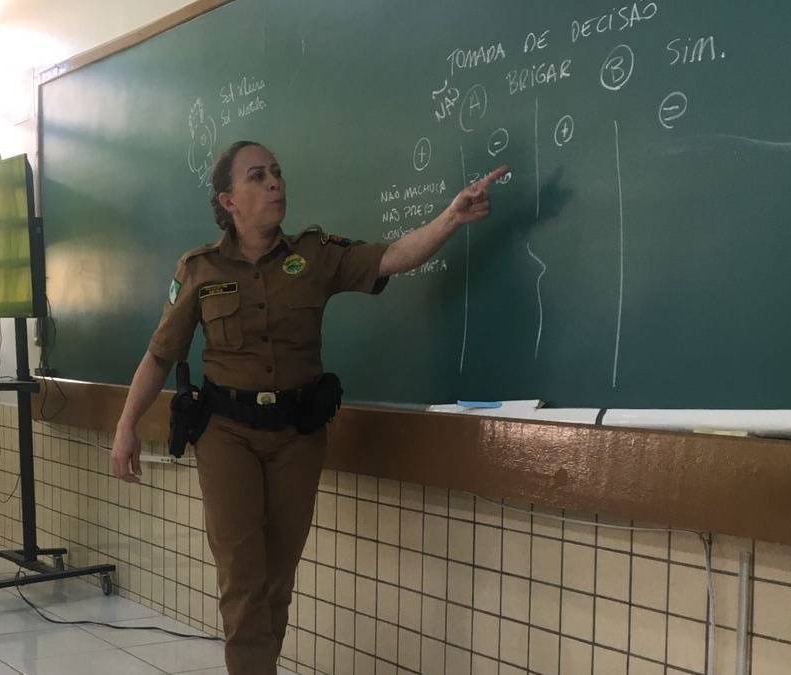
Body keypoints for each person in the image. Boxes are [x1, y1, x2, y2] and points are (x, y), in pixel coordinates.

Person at [110, 140, 508, 674]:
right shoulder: (200, 269)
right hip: (227, 434)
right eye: (257, 176)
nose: (275, 183)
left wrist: (450, 219)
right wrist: (125, 425)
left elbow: (394, 255)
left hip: (297, 436)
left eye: (276, 172)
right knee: (243, 578)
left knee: (277, 578)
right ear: (229, 201)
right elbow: (159, 355)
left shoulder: (315, 255)